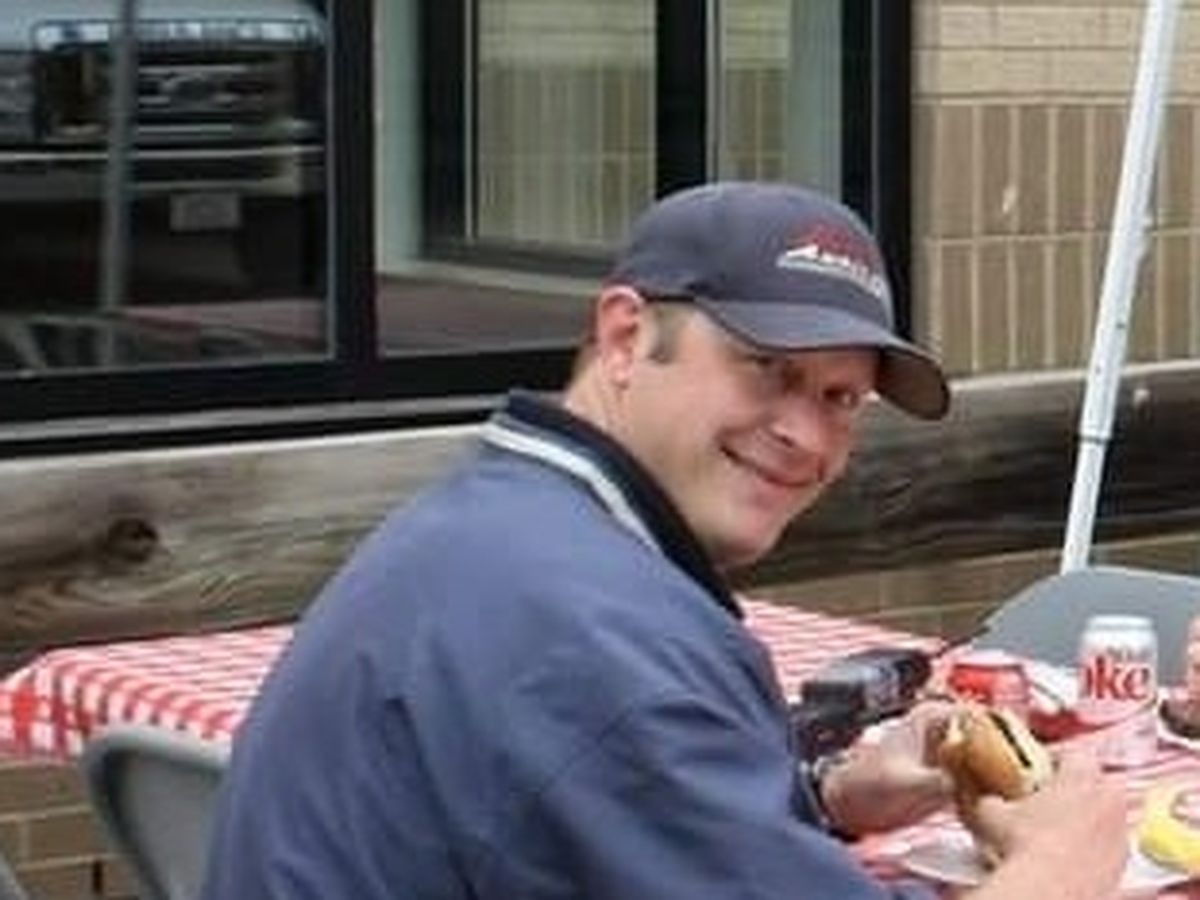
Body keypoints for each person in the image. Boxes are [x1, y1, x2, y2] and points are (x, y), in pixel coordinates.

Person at [200, 182, 1128, 898]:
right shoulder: (602, 637)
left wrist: (826, 792)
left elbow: (598, 820)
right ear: (624, 338)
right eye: (767, 367)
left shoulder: (502, 518)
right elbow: (611, 728)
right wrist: (1060, 870)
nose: (806, 436)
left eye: (841, 397)